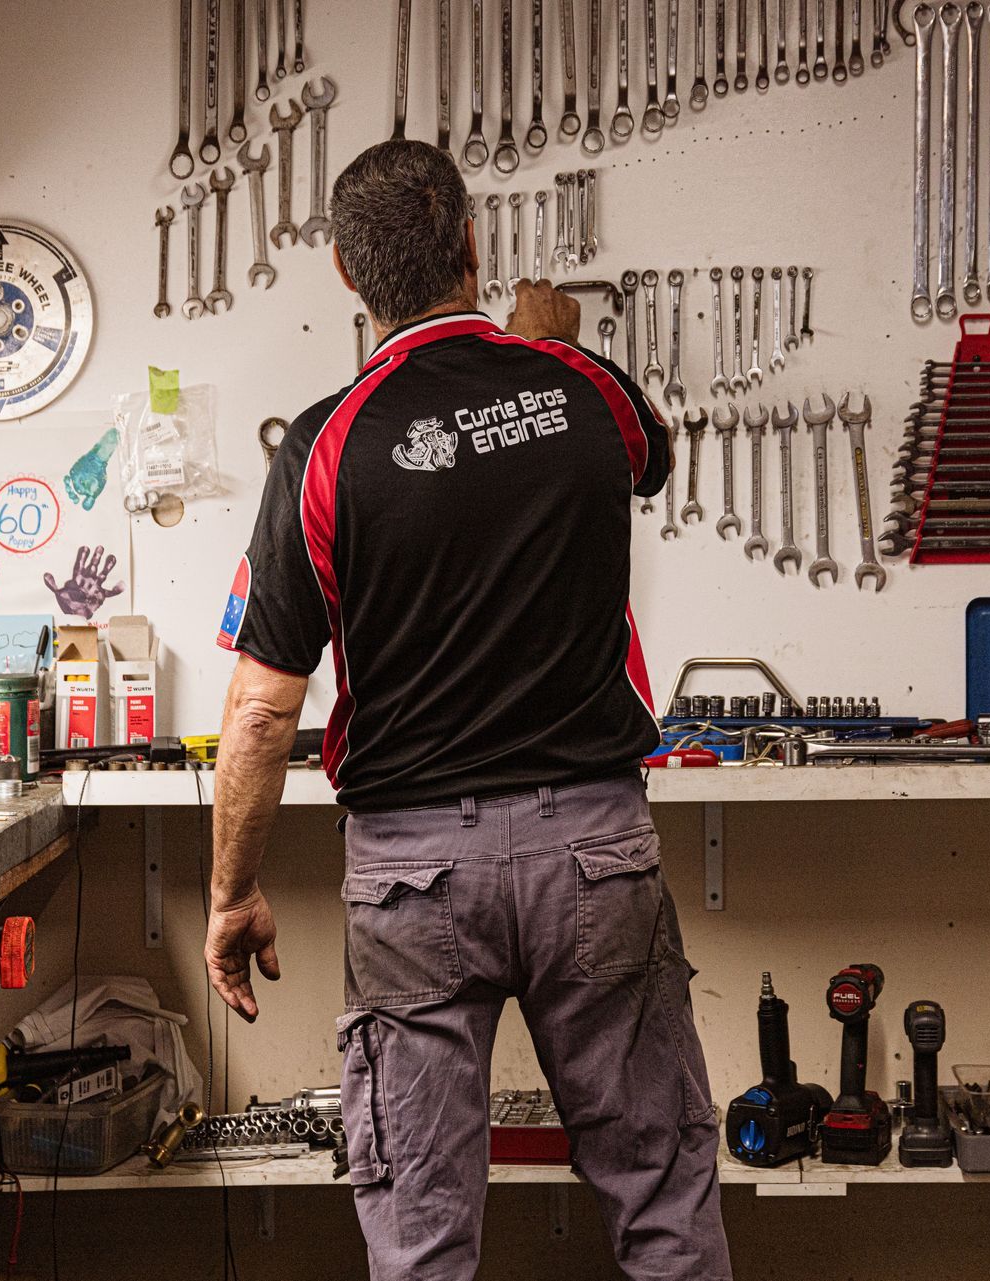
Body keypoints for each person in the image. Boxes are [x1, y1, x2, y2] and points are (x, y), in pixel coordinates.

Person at [206, 139, 730, 1280]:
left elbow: (257, 714)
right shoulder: (585, 394)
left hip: (410, 874)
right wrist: (548, 354)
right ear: (475, 247)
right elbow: (646, 456)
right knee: (661, 1192)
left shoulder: (324, 443)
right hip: (594, 849)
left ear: (347, 275)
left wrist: (233, 892)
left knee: (421, 1223)